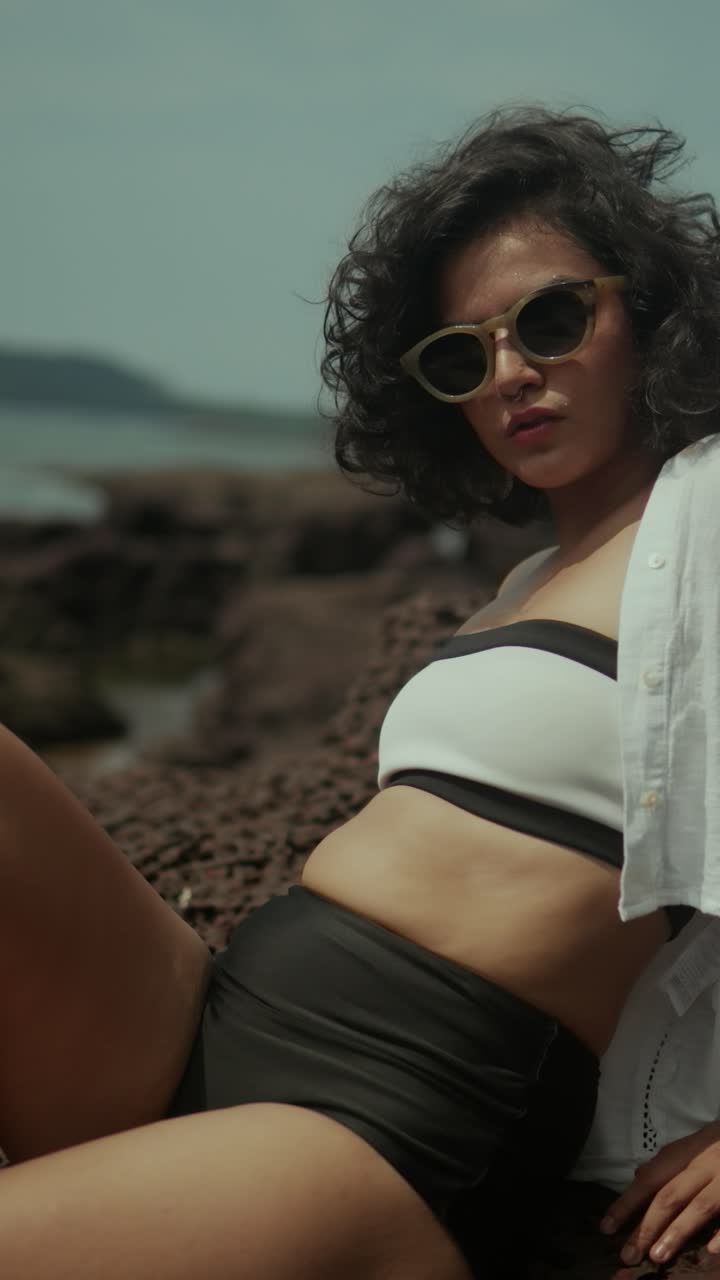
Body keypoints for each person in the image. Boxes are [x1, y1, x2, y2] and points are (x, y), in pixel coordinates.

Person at [3, 103, 720, 1279]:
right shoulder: (527, 578)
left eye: (549, 316)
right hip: (210, 1024)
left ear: (645, 304)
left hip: (386, 1134)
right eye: (461, 353)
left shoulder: (709, 510)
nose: (510, 372)